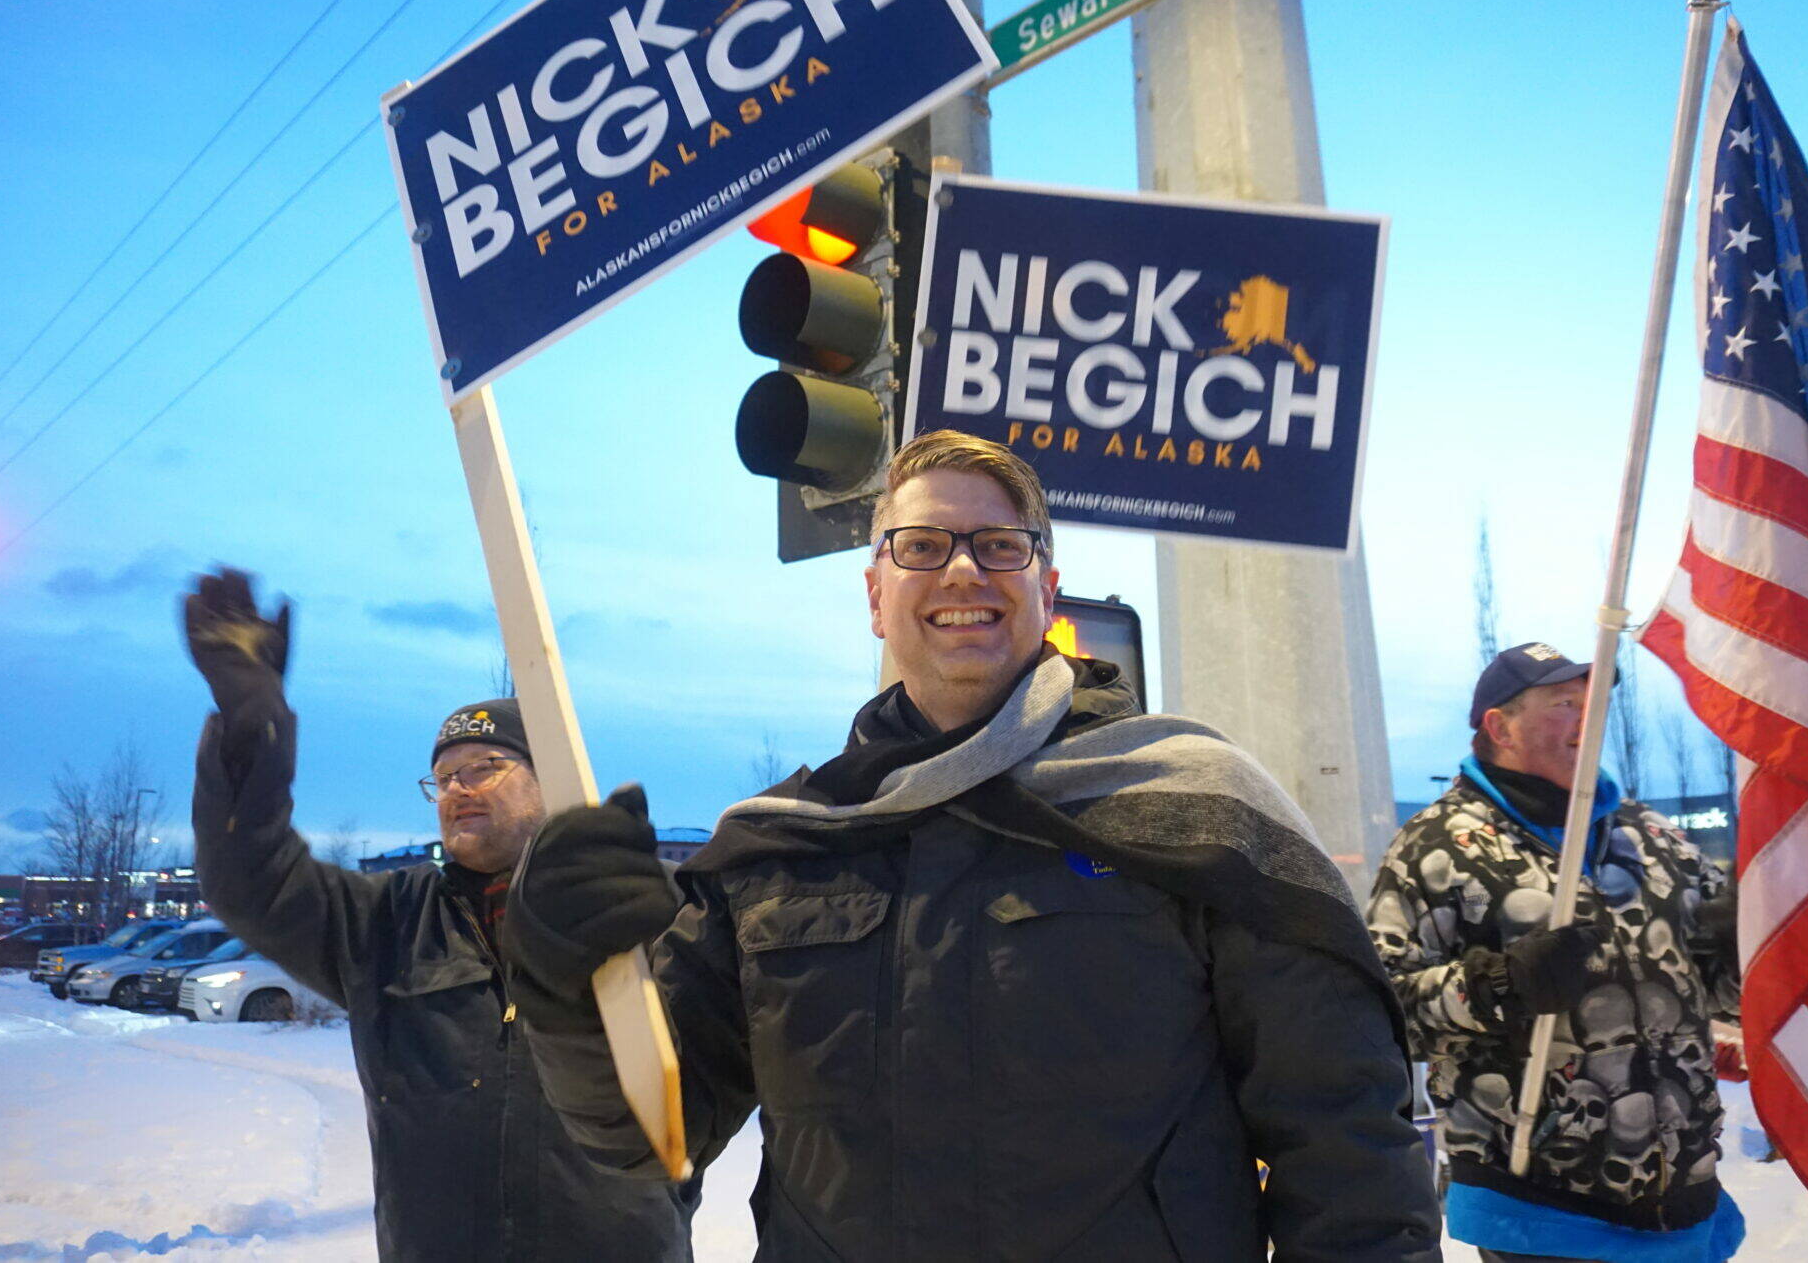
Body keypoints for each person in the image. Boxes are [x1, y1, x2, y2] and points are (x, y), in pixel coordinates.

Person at [501, 430, 1444, 1261]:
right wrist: (564, 983)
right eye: (922, 547)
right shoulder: (778, 849)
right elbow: (651, 1126)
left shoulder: (1196, 808)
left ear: (1047, 586)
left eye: (999, 545)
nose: (962, 571)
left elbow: (1348, 1141)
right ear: (877, 595)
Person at [182, 568, 693, 1263]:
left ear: (551, 779)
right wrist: (252, 726)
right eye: (444, 776)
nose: (457, 788)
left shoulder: (638, 909)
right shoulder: (385, 922)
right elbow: (247, 879)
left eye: (485, 765)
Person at [1366, 643, 1743, 1263]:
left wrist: (1740, 947)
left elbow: (1719, 995)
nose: (1587, 719)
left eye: (1594, 703)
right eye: (1565, 703)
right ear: (1499, 726)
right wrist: (1493, 988)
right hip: (1540, 1208)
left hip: (1684, 1202)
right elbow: (1378, 1012)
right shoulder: (1436, 846)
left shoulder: (1653, 839)